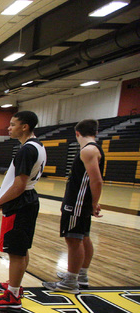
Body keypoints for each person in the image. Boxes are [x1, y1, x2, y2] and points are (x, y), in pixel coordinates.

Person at [0, 111, 47, 309]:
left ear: (25, 126)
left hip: (20, 202)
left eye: (12, 125)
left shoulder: (26, 150)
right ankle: (15, 285)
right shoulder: (38, 146)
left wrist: (0, 202)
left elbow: (19, 185)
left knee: (16, 251)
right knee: (21, 248)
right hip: (29, 200)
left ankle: (12, 296)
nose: (9, 128)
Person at [43, 119, 105, 293]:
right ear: (96, 132)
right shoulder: (94, 149)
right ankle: (81, 276)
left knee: (73, 239)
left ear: (77, 133)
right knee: (83, 237)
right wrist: (93, 201)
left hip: (77, 202)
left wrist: (93, 202)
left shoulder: (88, 150)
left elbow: (97, 180)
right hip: (81, 201)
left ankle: (70, 281)